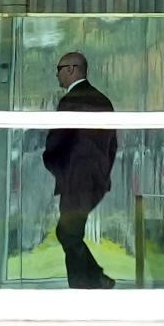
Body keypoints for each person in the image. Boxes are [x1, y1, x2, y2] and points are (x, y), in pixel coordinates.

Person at [42, 51, 117, 289]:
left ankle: (86, 284)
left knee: (69, 233)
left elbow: (57, 140)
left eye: (59, 68)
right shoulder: (103, 100)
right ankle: (94, 279)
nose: (56, 74)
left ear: (71, 69)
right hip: (95, 180)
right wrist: (103, 174)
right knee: (68, 232)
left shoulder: (71, 100)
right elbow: (112, 145)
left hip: (75, 180)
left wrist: (54, 166)